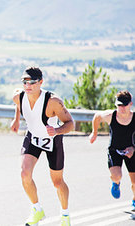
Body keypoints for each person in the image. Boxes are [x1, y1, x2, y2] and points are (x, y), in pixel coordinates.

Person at [11, 67, 74, 226]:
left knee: (57, 182)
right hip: (33, 138)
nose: (28, 85)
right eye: (25, 82)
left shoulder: (53, 102)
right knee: (25, 173)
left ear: (40, 82)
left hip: (52, 140)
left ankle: (65, 215)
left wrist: (57, 131)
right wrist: (17, 120)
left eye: (32, 82)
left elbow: (71, 124)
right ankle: (37, 209)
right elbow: (18, 105)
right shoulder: (18, 97)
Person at [89, 90, 135, 211]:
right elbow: (97, 116)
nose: (121, 108)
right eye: (119, 105)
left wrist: (133, 148)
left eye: (124, 105)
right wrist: (94, 133)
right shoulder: (111, 116)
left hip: (131, 151)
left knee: (134, 181)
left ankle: (134, 201)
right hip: (115, 150)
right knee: (116, 176)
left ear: (130, 104)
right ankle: (116, 183)